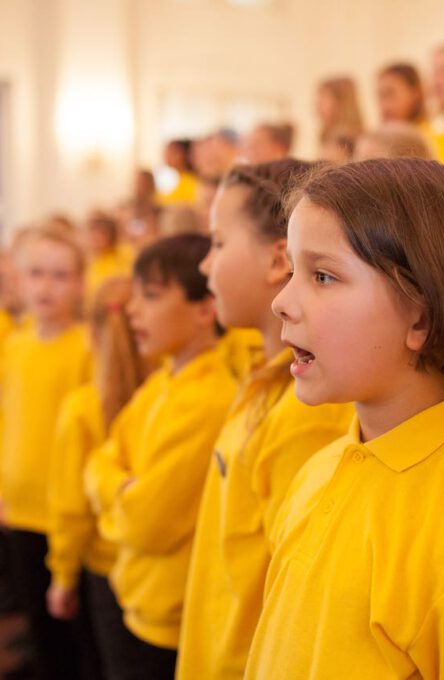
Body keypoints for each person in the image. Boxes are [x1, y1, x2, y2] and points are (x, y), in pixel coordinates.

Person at [244, 158, 444, 679]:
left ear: (420, 315)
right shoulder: (322, 468)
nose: (282, 302)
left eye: (323, 276)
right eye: (290, 273)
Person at [177, 160, 353, 679]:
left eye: (217, 243)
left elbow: (293, 599)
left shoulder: (308, 411)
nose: (205, 266)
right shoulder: (266, 379)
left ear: (278, 259)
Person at [84, 235, 238, 679]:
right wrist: (121, 487)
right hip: (136, 596)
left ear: (205, 309)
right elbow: (98, 463)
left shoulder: (208, 400)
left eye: (149, 297)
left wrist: (112, 491)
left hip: (168, 619)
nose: (132, 311)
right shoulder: (160, 384)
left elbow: (147, 525)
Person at [0, 227, 91, 679]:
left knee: (67, 631)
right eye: (36, 274)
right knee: (36, 615)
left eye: (59, 275)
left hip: (65, 513)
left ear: (78, 283)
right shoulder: (14, 344)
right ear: (19, 279)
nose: (46, 286)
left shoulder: (86, 349)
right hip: (20, 509)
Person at [46, 277, 146, 679]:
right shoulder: (162, 398)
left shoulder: (80, 409)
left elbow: (70, 507)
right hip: (158, 573)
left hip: (105, 573)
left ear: (91, 334)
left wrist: (62, 575)